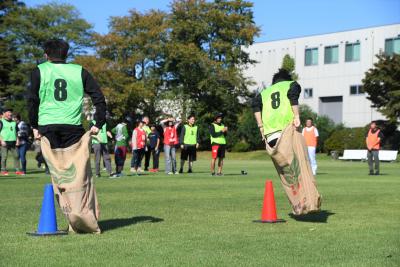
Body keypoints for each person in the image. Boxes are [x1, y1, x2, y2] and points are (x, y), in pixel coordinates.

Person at [26, 39, 106, 233]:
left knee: (59, 176)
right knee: (79, 175)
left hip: (48, 128)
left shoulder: (39, 71)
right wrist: (98, 123)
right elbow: (98, 97)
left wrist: (34, 126)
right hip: (73, 128)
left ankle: (71, 215)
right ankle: (82, 217)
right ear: (66, 54)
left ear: (46, 55)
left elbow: (32, 100)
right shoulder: (79, 71)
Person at [252, 68, 321, 215]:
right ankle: (309, 201)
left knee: (286, 174)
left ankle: (297, 204)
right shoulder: (291, 84)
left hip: (270, 137)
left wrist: (261, 127)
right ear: (287, 78)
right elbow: (293, 96)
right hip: (286, 133)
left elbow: (255, 105)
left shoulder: (264, 93)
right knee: (300, 168)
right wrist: (296, 116)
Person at [0, 108, 21, 175]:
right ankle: (3, 170)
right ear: (4, 113)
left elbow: (16, 132)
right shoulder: (1, 121)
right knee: (4, 157)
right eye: (8, 112)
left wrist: (17, 140)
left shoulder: (14, 122)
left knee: (16, 156)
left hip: (13, 142)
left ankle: (17, 170)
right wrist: (2, 140)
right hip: (4, 142)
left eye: (11, 112)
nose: (10, 113)